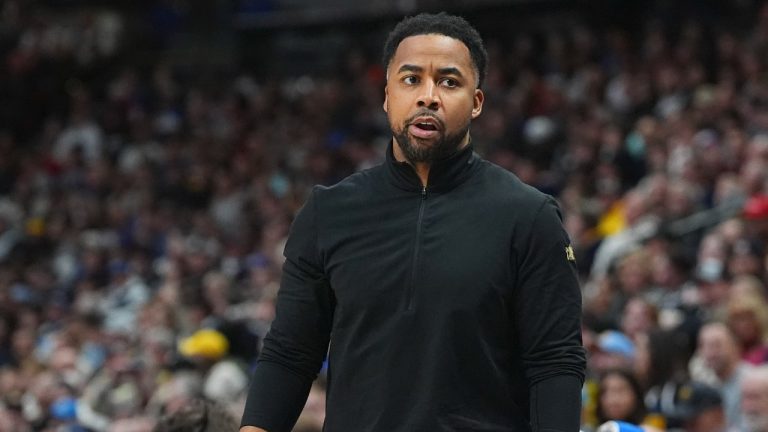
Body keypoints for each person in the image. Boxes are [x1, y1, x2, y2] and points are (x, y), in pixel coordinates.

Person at [240, 12, 586, 432]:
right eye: (411, 79)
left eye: (449, 81)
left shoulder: (528, 216)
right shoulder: (327, 213)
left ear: (476, 102)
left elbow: (554, 362)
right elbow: (291, 352)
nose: (428, 96)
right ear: (387, 96)